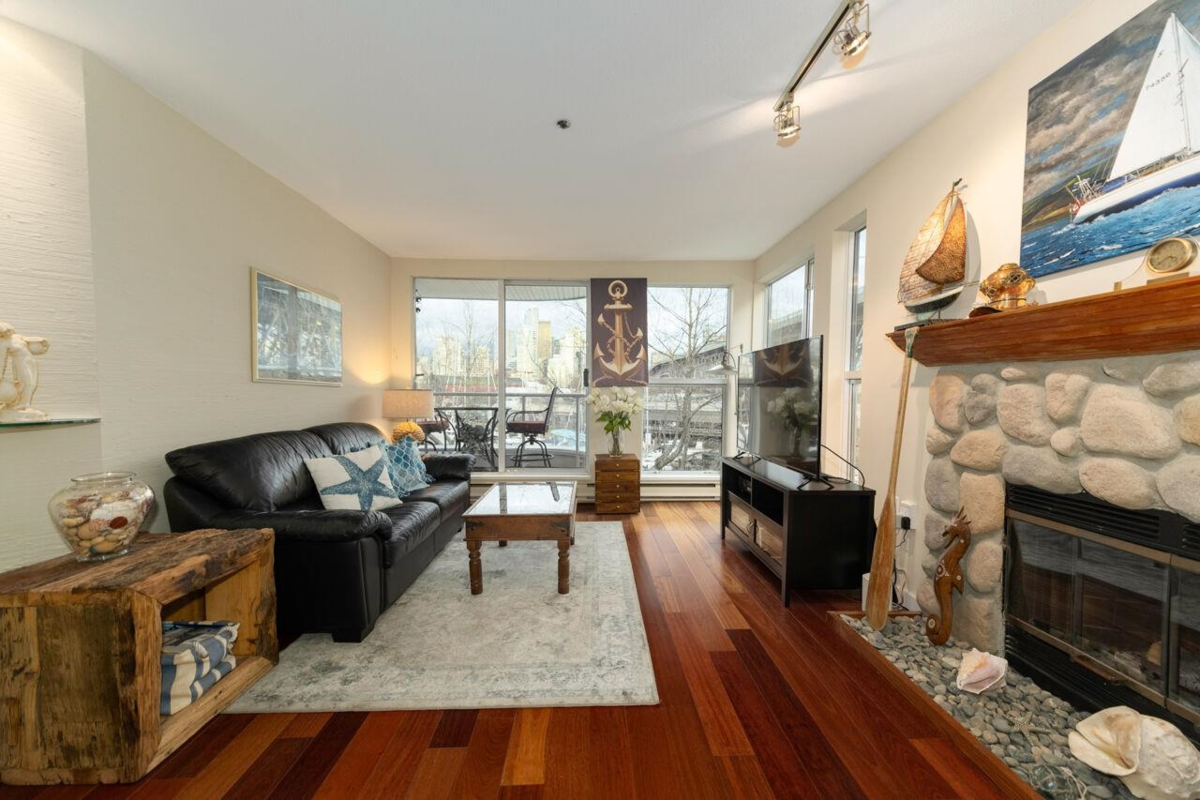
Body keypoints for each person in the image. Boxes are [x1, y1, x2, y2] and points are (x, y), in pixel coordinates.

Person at [0, 321, 50, 421]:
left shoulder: (17, 337)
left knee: (32, 382)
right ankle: (21, 403)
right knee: (25, 383)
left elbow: (29, 340)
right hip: (20, 363)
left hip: (30, 360)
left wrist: (41, 341)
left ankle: (25, 404)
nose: (6, 332)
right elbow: (2, 361)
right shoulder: (3, 343)